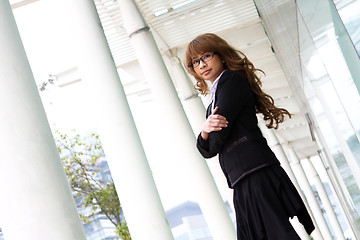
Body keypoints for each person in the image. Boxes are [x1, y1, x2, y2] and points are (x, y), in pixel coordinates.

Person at [185, 33, 315, 240]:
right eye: (195, 62)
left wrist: (209, 133)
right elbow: (206, 150)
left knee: (279, 235)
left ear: (221, 55)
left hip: (255, 173)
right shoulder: (213, 100)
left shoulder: (231, 81)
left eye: (206, 56)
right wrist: (205, 131)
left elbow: (218, 138)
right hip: (244, 177)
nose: (201, 64)